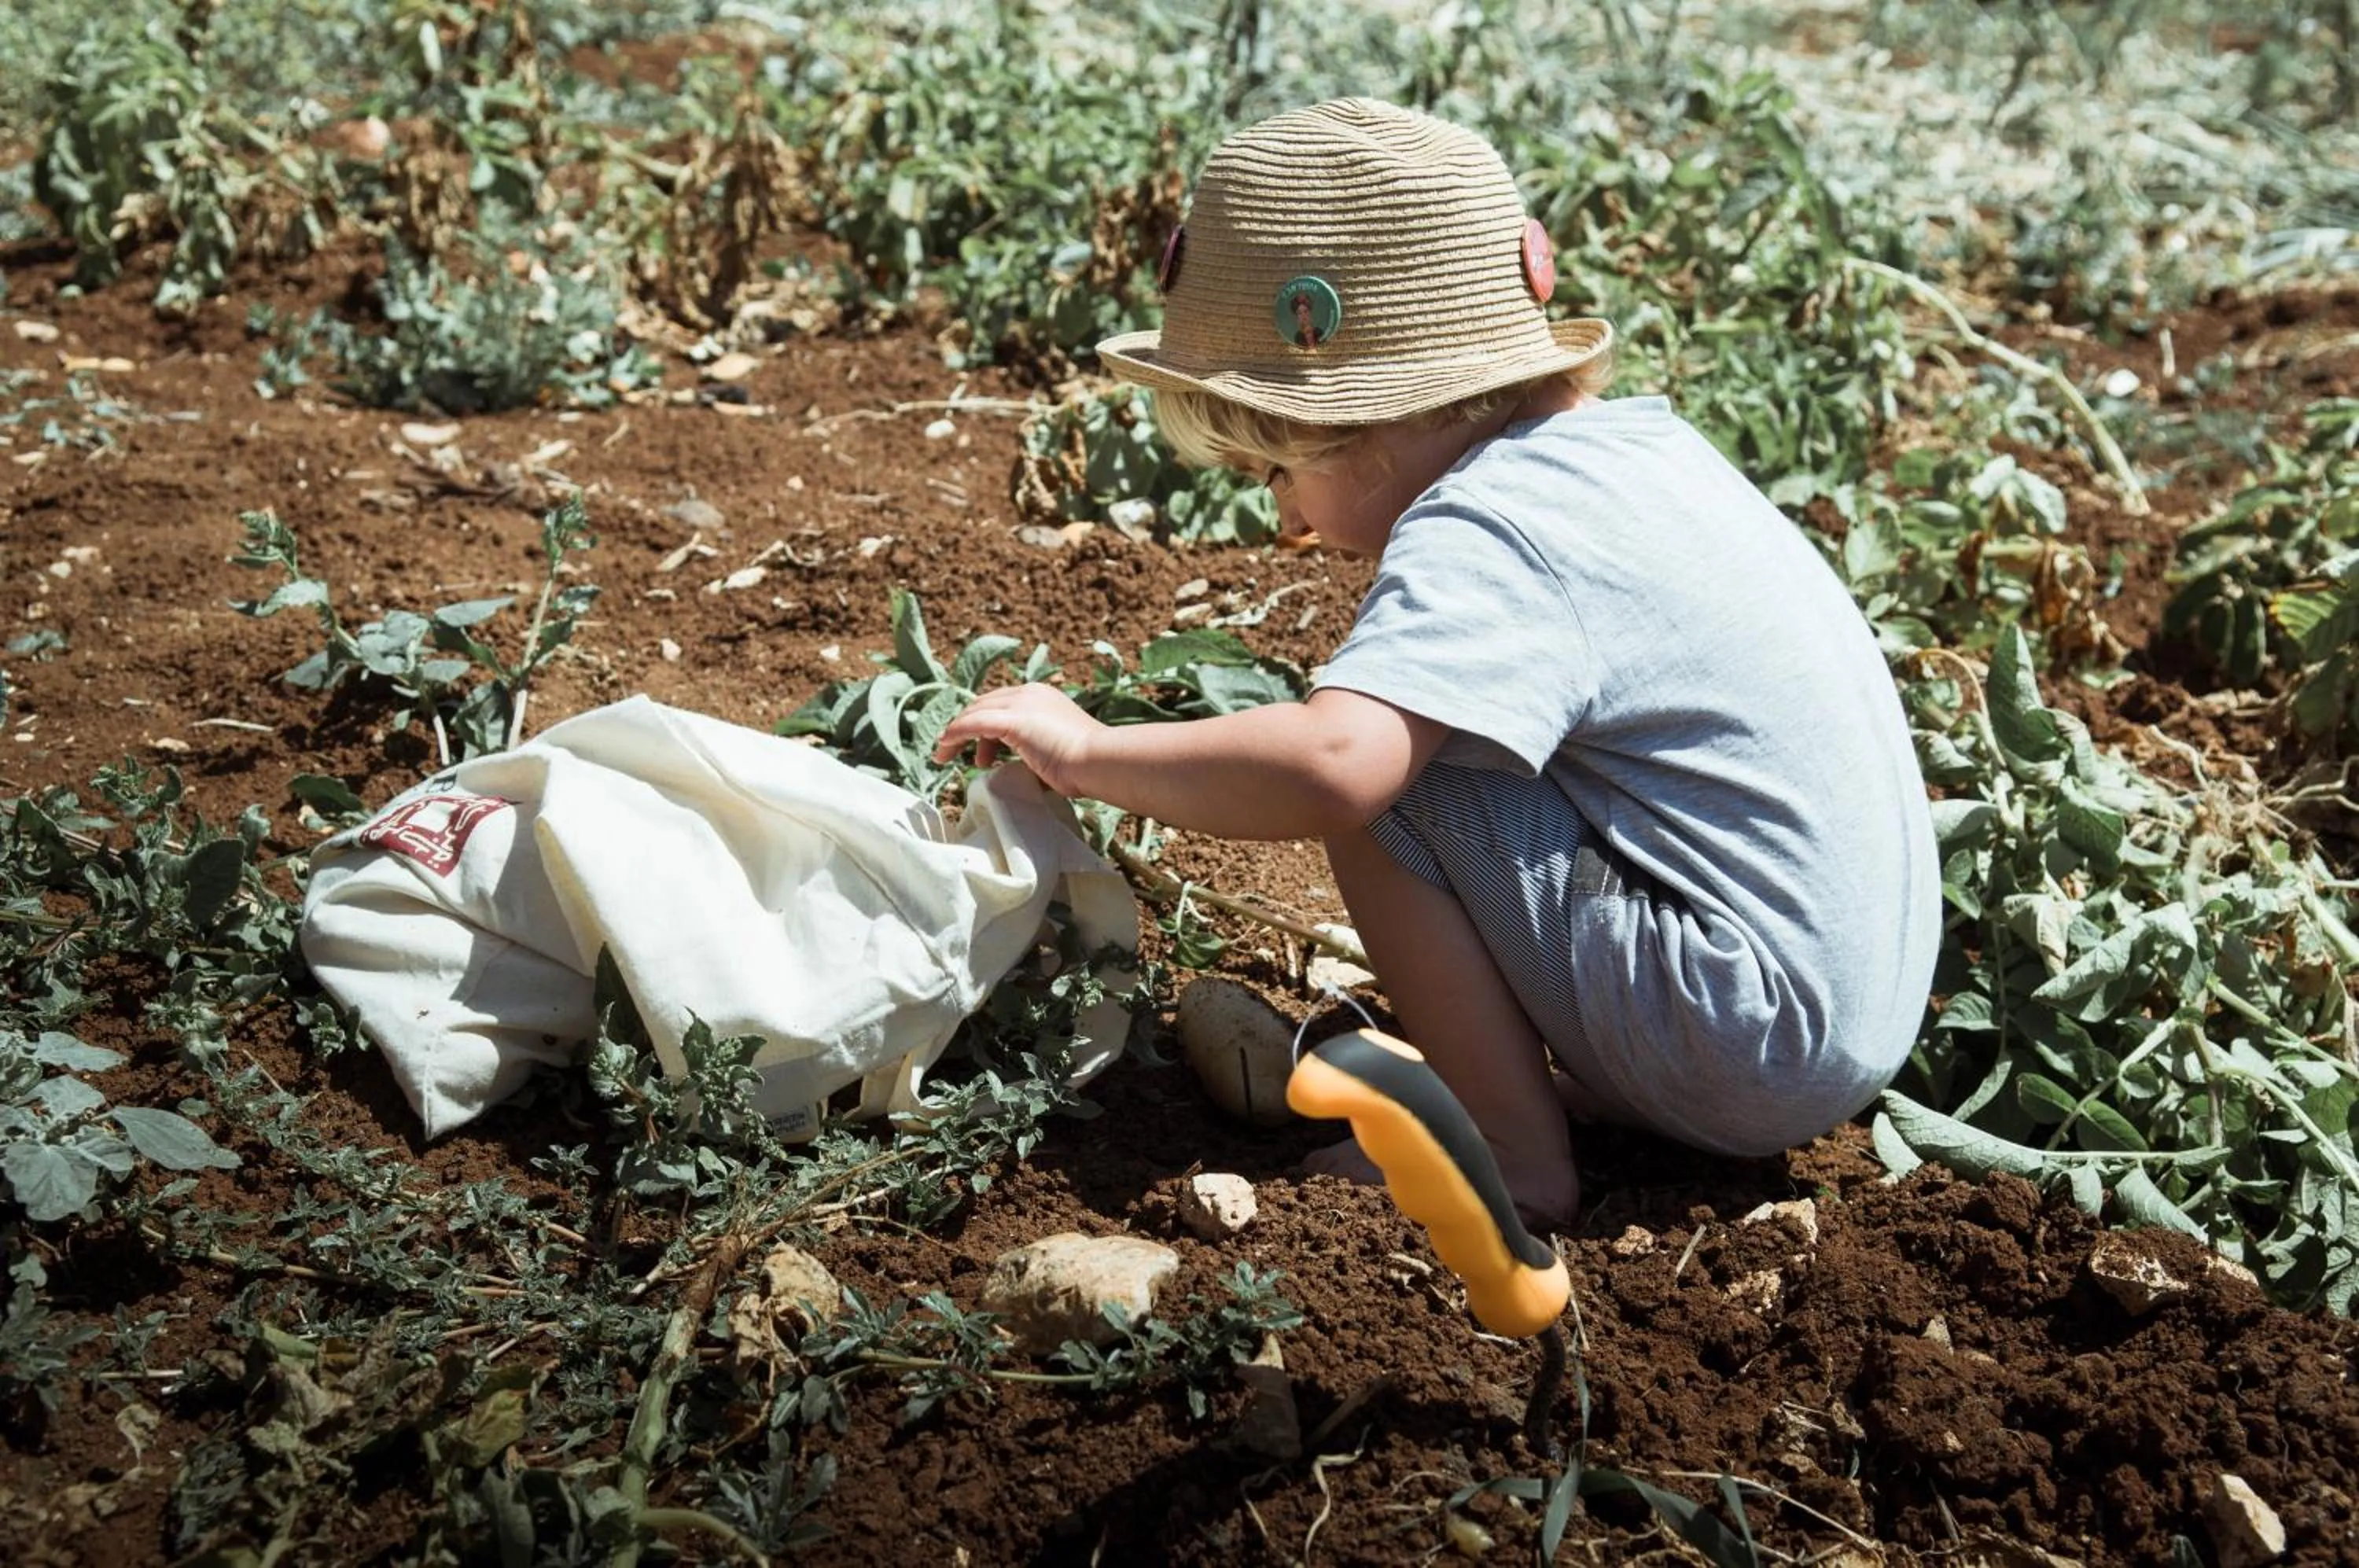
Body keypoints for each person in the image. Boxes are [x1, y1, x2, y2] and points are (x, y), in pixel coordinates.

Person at [933, 97, 1941, 1231]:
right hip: (1842, 1014)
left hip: (1745, 1031)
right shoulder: (1640, 454)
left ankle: (1506, 1157)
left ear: (1368, 422)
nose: (1289, 523)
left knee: (1393, 780)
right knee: (1450, 733)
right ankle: (1576, 1090)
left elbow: (1333, 766)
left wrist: (1092, 750)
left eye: (1278, 471)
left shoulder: (1490, 522)